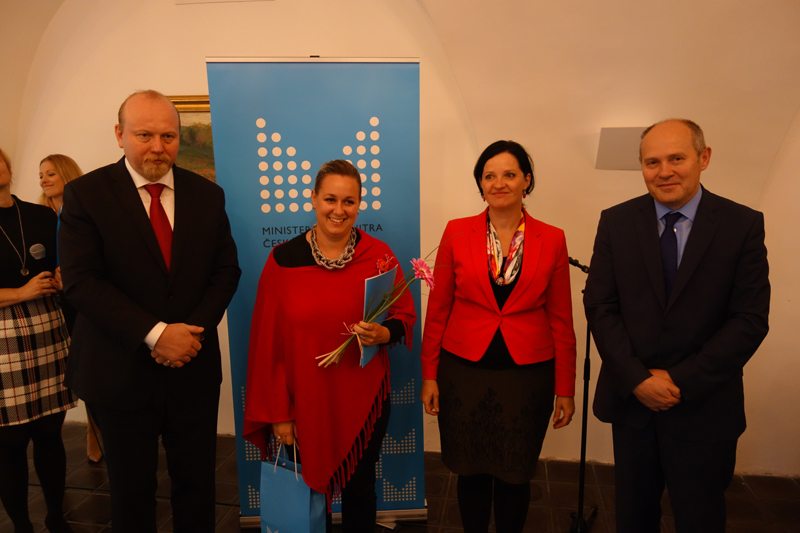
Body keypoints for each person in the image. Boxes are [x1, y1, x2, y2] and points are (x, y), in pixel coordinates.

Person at [58, 90, 241, 533]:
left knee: (197, 489)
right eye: (145, 135)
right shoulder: (85, 195)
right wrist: (158, 334)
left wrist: (189, 335)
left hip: (192, 370)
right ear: (119, 135)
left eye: (168, 136)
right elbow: (82, 282)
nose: (158, 147)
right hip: (118, 373)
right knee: (132, 495)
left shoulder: (207, 195)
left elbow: (226, 271)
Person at [583, 119, 770, 533]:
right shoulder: (616, 221)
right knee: (634, 518)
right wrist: (637, 379)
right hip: (633, 406)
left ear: (704, 158)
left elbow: (749, 319)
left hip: (705, 408)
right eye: (652, 162)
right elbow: (600, 306)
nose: (664, 171)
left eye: (676, 159)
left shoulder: (741, 225)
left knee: (700, 519)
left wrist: (679, 379)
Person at [243, 159, 417, 532]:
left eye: (349, 201)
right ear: (313, 199)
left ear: (359, 204)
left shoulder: (379, 255)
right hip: (303, 404)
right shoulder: (282, 261)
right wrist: (280, 413)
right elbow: (267, 346)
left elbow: (402, 317)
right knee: (306, 495)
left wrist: (383, 334)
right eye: (330, 199)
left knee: (361, 489)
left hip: (363, 401)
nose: (339, 210)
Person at [420, 141, 577, 533]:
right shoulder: (457, 232)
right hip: (463, 372)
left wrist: (566, 388)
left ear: (527, 180)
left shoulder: (552, 238)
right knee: (469, 470)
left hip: (526, 377)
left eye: (509, 174)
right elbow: (438, 309)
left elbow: (561, 319)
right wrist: (429, 375)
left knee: (516, 473)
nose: (499, 183)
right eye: (489, 176)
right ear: (480, 184)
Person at [0, 147, 77, 533]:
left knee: (50, 435)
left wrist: (64, 279)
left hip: (48, 327)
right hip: (4, 337)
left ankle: (56, 519)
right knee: (10, 443)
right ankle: (22, 526)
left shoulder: (41, 215)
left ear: (8, 167)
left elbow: (65, 265)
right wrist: (20, 292)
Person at [37, 154, 102, 464]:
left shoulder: (86, 210)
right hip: (51, 304)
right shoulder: (40, 216)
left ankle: (95, 430)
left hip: (81, 302)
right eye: (41, 175)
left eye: (51, 173)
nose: (44, 180)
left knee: (91, 369)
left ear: (67, 173)